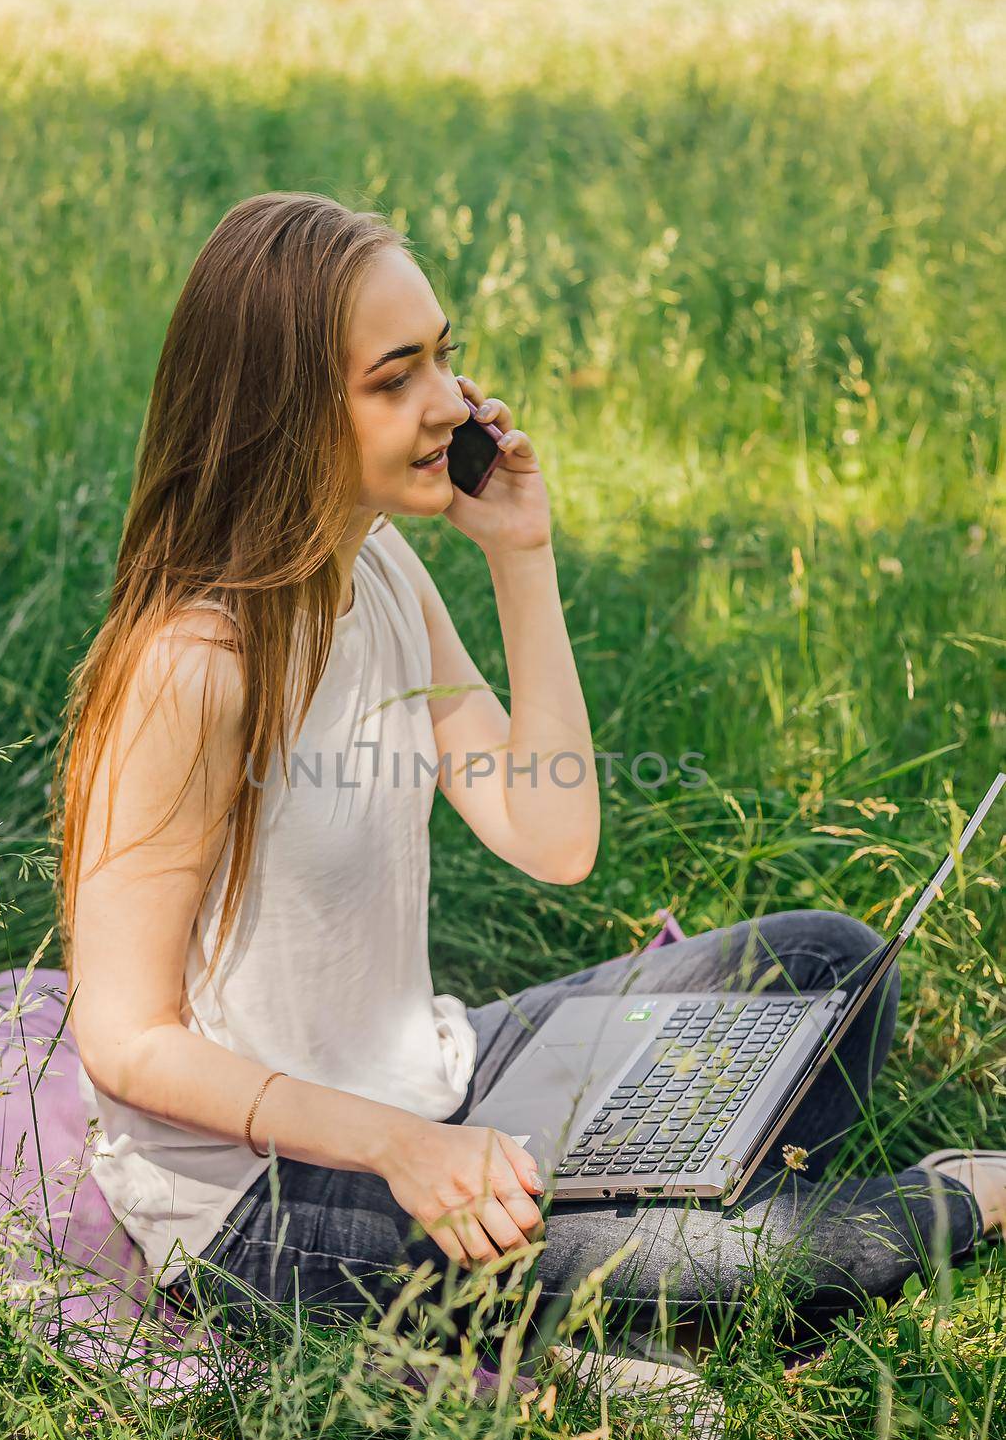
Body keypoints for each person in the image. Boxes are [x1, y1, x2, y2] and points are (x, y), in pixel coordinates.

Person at [52, 190, 1002, 1363]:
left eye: (442, 358)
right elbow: (126, 1037)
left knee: (827, 966)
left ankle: (598, 1241)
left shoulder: (384, 572)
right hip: (262, 1206)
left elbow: (551, 837)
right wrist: (398, 1149)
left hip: (441, 1082)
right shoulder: (190, 668)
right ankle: (953, 1197)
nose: (449, 402)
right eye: (393, 377)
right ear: (279, 411)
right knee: (748, 1262)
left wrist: (522, 556)